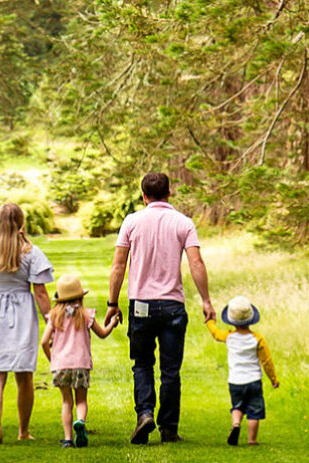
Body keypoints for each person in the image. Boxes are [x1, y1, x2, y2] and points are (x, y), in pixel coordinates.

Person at [105, 172, 216, 444]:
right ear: (170, 193)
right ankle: (168, 427)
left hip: (140, 305)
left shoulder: (132, 221)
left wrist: (112, 302)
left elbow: (119, 264)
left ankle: (144, 414)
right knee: (170, 370)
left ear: (144, 196)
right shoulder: (183, 223)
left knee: (142, 363)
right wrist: (206, 300)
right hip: (172, 306)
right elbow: (196, 263)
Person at [0, 203, 57, 446]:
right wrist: (51, 322)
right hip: (22, 311)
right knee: (24, 376)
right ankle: (23, 430)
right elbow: (40, 293)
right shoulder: (30, 251)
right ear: (21, 223)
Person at [39, 274, 119, 448]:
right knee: (81, 400)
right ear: (81, 296)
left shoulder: (54, 316)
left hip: (61, 365)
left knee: (66, 401)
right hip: (81, 364)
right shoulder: (86, 315)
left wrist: (52, 358)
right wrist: (112, 323)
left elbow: (44, 341)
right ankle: (80, 422)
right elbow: (103, 334)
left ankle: (68, 439)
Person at [204, 296, 280, 446]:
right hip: (253, 381)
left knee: (237, 407)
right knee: (254, 411)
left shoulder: (229, 336)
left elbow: (215, 333)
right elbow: (267, 362)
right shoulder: (257, 339)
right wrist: (273, 379)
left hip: (235, 381)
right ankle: (252, 440)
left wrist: (210, 321)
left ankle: (236, 424)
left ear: (231, 320)